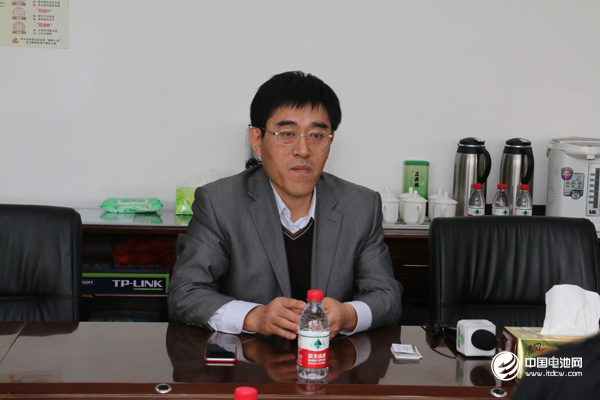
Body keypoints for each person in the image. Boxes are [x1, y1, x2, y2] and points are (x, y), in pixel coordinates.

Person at [168, 71, 402, 340]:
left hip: (329, 359)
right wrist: (255, 317)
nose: (303, 149)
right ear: (257, 140)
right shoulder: (219, 202)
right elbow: (185, 293)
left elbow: (386, 296)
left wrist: (348, 315)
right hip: (249, 359)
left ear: (330, 140)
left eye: (317, 135)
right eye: (287, 133)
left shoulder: (360, 205)